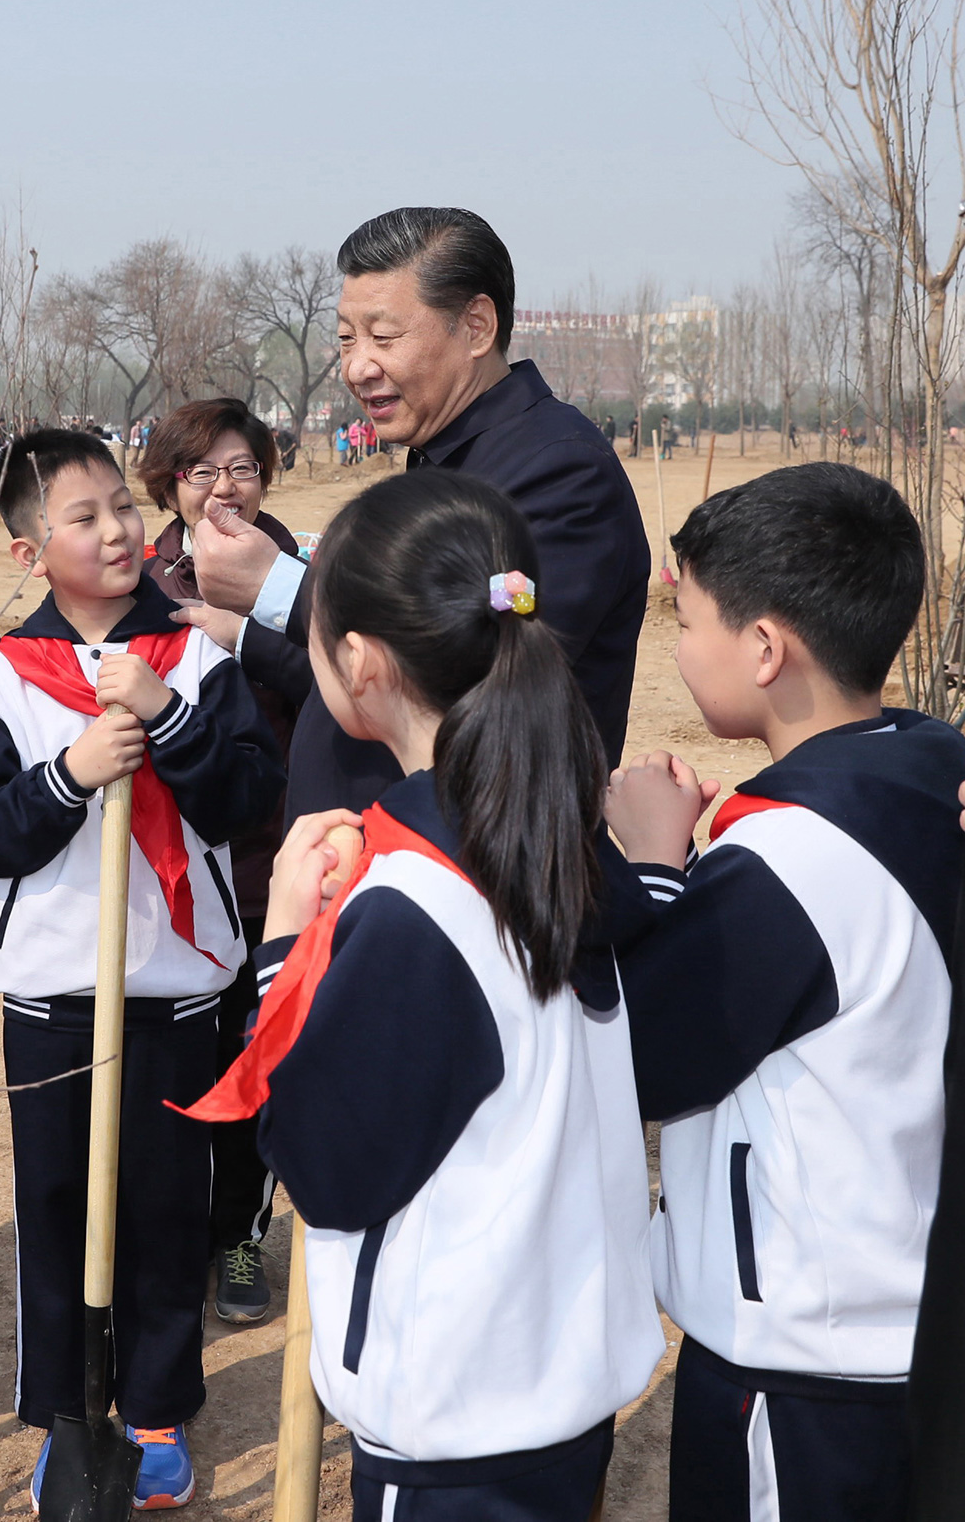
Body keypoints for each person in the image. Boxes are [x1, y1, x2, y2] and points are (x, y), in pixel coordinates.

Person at [189, 470, 662, 1517]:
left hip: (455, 1425)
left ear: (358, 663)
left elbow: (326, 1166)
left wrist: (284, 946)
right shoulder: (557, 836)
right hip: (556, 1385)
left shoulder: (418, 903)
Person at [602, 463, 964, 1520]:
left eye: (689, 621)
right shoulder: (929, 768)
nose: (679, 648)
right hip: (901, 1316)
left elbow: (643, 1053)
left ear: (765, 649)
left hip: (801, 1359)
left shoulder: (791, 860)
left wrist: (653, 866)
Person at [0, 428, 284, 1511]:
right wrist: (73, 771)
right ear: (29, 550)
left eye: (123, 508)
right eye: (82, 516)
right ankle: (68, 1410)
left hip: (176, 995)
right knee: (55, 1209)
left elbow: (246, 798)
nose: (117, 531)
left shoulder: (199, 657)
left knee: (166, 1210)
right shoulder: (4, 678)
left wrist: (166, 716)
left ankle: (156, 1406)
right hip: (53, 997)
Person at [179, 208, 649, 826]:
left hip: (465, 864)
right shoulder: (443, 457)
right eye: (347, 340)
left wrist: (281, 588)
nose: (357, 367)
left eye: (384, 337)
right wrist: (248, 632)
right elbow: (364, 665)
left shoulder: (559, 472)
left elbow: (491, 652)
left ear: (476, 326)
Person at [137, 398, 302, 1324]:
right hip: (175, 869)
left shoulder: (302, 574)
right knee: (177, 1065)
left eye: (241, 467)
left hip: (272, 861)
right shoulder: (140, 580)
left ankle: (240, 1231)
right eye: (202, 472)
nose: (224, 487)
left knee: (256, 1058)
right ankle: (174, 1236)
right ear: (171, 486)